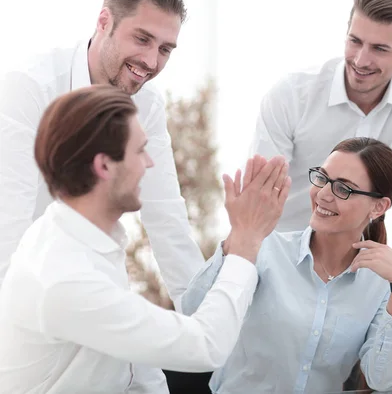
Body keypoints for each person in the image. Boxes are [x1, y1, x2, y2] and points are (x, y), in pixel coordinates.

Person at [0, 85, 291, 394]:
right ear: (104, 166)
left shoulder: (79, 236)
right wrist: (247, 240)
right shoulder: (65, 277)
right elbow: (206, 345)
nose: (150, 163)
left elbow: (134, 364)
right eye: (140, 150)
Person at [0, 0, 202, 311]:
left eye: (165, 49)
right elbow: (7, 226)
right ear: (104, 21)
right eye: (142, 39)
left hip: (88, 282)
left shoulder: (147, 104)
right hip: (24, 296)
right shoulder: (29, 88)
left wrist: (204, 323)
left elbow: (167, 217)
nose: (151, 63)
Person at [182, 137, 392, 394]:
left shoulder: (381, 286)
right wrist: (240, 236)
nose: (324, 195)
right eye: (322, 178)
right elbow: (194, 311)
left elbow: (382, 380)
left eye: (343, 189)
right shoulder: (264, 248)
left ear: (379, 206)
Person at [250, 0, 392, 265]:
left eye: (379, 48)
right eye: (355, 41)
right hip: (281, 257)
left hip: (356, 263)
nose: (360, 60)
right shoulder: (292, 94)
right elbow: (260, 197)